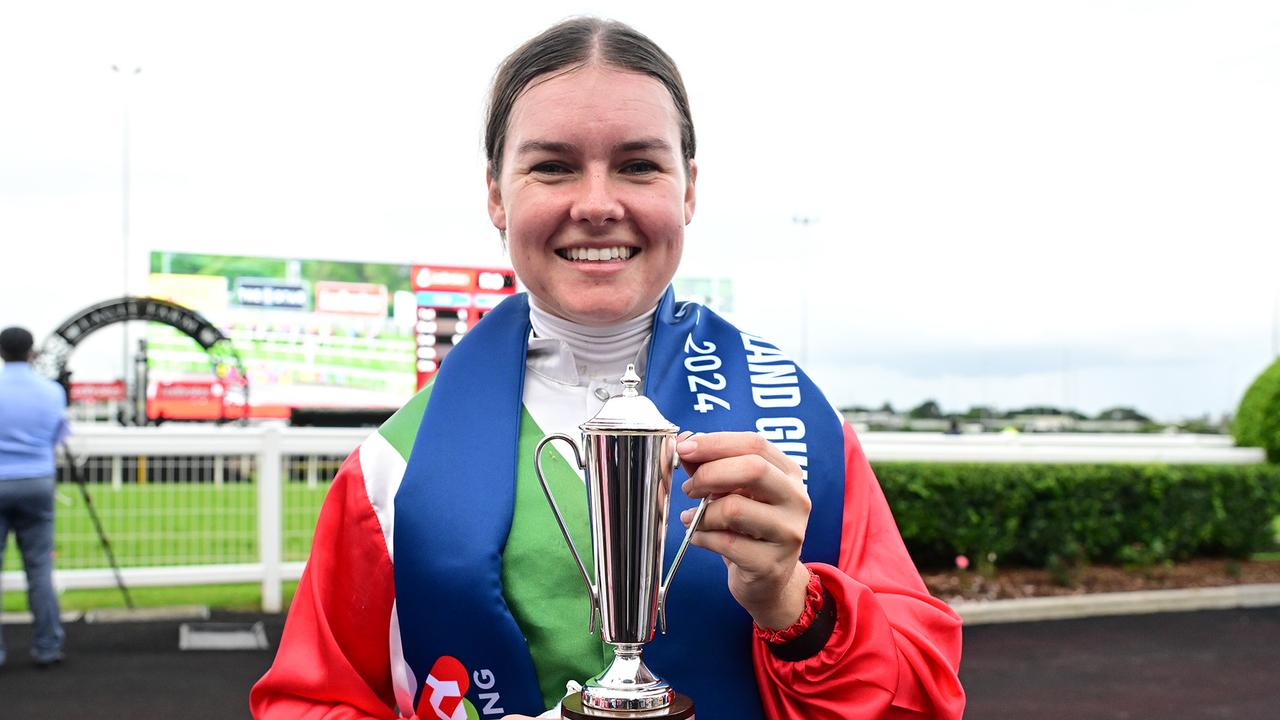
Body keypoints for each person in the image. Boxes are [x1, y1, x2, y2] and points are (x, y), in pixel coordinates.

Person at [252, 18, 964, 720]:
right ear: (497, 194)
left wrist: (794, 606)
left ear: (689, 189)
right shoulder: (390, 472)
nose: (597, 205)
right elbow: (309, 702)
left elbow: (924, 701)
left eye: (639, 164)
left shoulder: (803, 435)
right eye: (553, 166)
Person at [0, 326, 69, 668]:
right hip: (37, 482)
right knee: (40, 569)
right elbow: (59, 435)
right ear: (32, 352)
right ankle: (47, 646)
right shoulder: (51, 391)